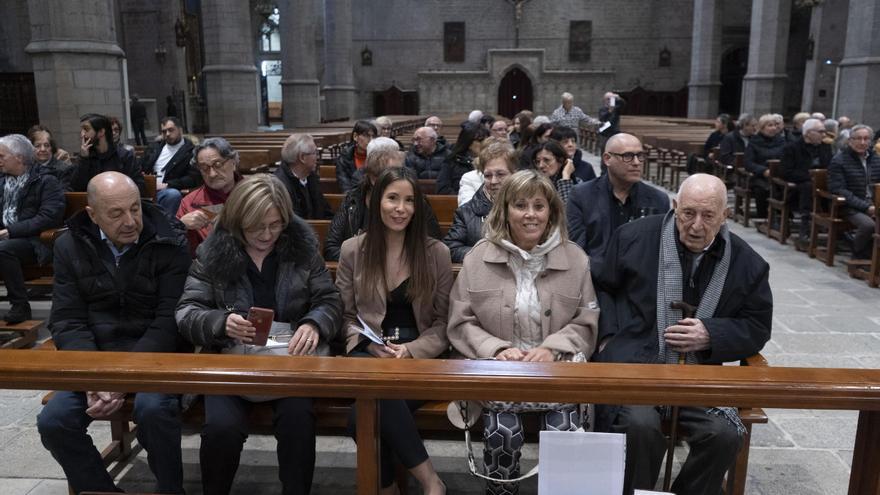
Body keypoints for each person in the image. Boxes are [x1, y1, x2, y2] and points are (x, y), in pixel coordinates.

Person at [594, 173, 773, 495]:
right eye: (688, 213)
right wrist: (608, 337)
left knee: (723, 434)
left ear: (725, 216)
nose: (696, 225)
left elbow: (758, 325)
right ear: (675, 207)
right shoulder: (633, 237)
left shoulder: (748, 263)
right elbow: (601, 288)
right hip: (637, 365)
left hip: (698, 375)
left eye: (708, 216)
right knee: (639, 426)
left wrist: (713, 334)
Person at [176, 174, 342, 495]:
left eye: (275, 225)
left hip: (288, 359)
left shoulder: (301, 249)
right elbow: (187, 312)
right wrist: (220, 323)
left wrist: (313, 324)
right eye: (256, 228)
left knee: (298, 420)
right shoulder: (212, 253)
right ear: (238, 222)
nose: (267, 235)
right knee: (221, 427)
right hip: (231, 360)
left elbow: (329, 300)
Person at [38, 171, 191, 494]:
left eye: (135, 208)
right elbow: (67, 320)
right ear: (93, 215)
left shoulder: (169, 240)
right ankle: (101, 490)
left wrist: (120, 378)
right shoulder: (69, 245)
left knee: (154, 410)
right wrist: (95, 377)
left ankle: (171, 489)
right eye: (116, 213)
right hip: (96, 357)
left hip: (156, 358)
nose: (130, 221)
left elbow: (168, 320)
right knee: (54, 421)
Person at [447, 169, 598, 495]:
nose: (530, 214)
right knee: (503, 432)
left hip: (555, 375)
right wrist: (497, 349)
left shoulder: (575, 258)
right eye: (520, 205)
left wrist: (553, 347)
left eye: (539, 206)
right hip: (498, 374)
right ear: (504, 210)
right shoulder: (478, 259)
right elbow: (461, 322)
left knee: (566, 430)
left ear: (552, 212)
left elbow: (587, 319)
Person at [336, 166, 450, 495]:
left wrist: (412, 350)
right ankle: (429, 481)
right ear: (376, 201)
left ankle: (396, 488)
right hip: (369, 356)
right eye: (392, 199)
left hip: (420, 359)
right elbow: (343, 315)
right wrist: (367, 345)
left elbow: (444, 322)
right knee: (375, 394)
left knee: (366, 411)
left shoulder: (435, 253)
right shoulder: (352, 250)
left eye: (409, 200)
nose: (401, 208)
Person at [567, 133, 671, 273]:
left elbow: (660, 252)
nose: (636, 162)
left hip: (639, 284)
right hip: (595, 280)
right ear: (607, 159)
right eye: (627, 156)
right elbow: (577, 250)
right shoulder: (581, 195)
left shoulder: (658, 200)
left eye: (640, 156)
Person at [324, 147, 441, 261]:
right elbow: (331, 248)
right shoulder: (353, 200)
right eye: (394, 175)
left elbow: (433, 245)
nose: (402, 177)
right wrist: (372, 262)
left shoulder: (417, 200)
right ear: (373, 179)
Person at [0, 134, 65, 323]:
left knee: (3, 250)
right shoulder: (2, 181)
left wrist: (11, 231)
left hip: (34, 241)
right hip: (6, 237)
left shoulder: (45, 181)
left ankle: (20, 306)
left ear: (19, 157)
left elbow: (48, 217)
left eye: (2, 156)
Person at [444, 140, 516, 262]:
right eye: (488, 175)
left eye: (500, 174)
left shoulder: (530, 209)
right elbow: (451, 249)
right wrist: (489, 254)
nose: (493, 181)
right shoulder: (466, 212)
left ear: (515, 174)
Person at [177, 137, 244, 256]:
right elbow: (180, 250)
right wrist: (181, 226)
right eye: (204, 168)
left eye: (218, 164)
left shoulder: (254, 194)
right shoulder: (189, 202)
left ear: (233, 163)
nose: (212, 174)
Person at [828, 125, 880, 260]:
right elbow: (839, 189)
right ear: (850, 141)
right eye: (858, 139)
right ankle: (858, 255)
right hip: (849, 206)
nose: (862, 142)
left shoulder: (876, 159)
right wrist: (866, 207)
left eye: (866, 139)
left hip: (874, 204)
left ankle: (873, 256)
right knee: (868, 225)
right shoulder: (839, 160)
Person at [780, 118, 832, 249]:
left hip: (821, 185)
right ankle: (805, 226)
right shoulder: (792, 147)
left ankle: (833, 227)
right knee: (808, 187)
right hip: (798, 187)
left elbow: (830, 168)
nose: (824, 134)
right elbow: (786, 171)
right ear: (808, 133)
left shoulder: (825, 147)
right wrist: (810, 177)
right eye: (820, 131)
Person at [72, 113, 145, 195]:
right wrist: (84, 159)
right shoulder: (85, 156)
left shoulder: (125, 155)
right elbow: (76, 188)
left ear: (101, 132)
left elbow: (138, 186)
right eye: (82, 130)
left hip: (120, 202)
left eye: (86, 129)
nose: (82, 134)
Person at [139, 116, 199, 216]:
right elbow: (140, 166)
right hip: (147, 189)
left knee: (173, 195)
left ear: (180, 130)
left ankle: (168, 228)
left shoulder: (191, 151)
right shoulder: (154, 148)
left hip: (168, 190)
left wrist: (167, 185)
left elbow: (193, 178)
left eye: (171, 130)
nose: (167, 134)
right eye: (164, 131)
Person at [275, 133, 333, 220]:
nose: (317, 157)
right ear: (302, 157)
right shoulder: (280, 185)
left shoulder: (311, 177)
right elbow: (294, 223)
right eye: (314, 153)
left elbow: (325, 211)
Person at [745, 113, 786, 221]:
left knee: (786, 188)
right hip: (760, 176)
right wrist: (763, 171)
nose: (773, 128)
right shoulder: (754, 142)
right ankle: (762, 217)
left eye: (774, 125)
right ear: (762, 128)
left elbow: (786, 158)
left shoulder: (781, 141)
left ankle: (782, 216)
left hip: (778, 174)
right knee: (763, 189)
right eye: (770, 125)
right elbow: (749, 163)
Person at [437, 121, 488, 195]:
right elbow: (442, 189)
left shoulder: (490, 162)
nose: (484, 144)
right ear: (468, 142)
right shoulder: (452, 161)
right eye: (480, 141)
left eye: (486, 140)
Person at [27, 125, 74, 190]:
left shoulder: (64, 169)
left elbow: (65, 194)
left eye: (46, 145)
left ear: (52, 147)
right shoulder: (26, 168)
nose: (43, 149)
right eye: (37, 146)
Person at [335, 120, 377, 193]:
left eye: (373, 136)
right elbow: (345, 187)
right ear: (355, 136)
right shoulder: (344, 159)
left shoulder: (378, 156)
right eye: (366, 135)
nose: (371, 140)